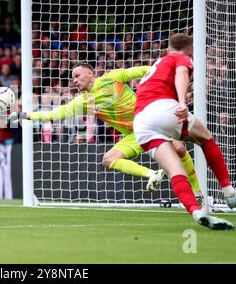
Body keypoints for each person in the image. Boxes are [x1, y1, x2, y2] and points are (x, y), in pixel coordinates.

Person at [11, 62, 201, 195]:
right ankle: (151, 174)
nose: (74, 81)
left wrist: (170, 76)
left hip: (154, 121)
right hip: (137, 135)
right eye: (72, 79)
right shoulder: (84, 101)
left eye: (77, 76)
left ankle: (198, 193)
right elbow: (55, 114)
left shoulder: (113, 78)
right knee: (108, 159)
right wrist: (27, 115)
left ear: (90, 74)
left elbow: (144, 70)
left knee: (179, 148)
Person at [133, 33, 236, 230]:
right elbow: (181, 74)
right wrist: (181, 102)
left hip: (141, 122)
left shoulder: (159, 62)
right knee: (206, 139)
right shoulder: (180, 57)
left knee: (175, 170)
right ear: (191, 50)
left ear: (168, 47)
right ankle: (229, 193)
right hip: (163, 108)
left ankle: (196, 211)